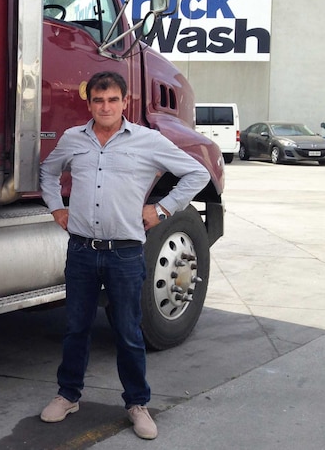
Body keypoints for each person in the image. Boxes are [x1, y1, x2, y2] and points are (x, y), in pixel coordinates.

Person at [38, 71, 209, 440]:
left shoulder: (149, 141)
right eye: (98, 101)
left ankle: (137, 404)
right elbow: (48, 173)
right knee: (76, 329)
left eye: (112, 100)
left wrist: (162, 209)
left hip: (126, 255)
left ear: (124, 102)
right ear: (89, 104)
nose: (105, 107)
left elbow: (196, 173)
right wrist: (56, 208)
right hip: (82, 251)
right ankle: (68, 395)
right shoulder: (72, 140)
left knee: (129, 332)